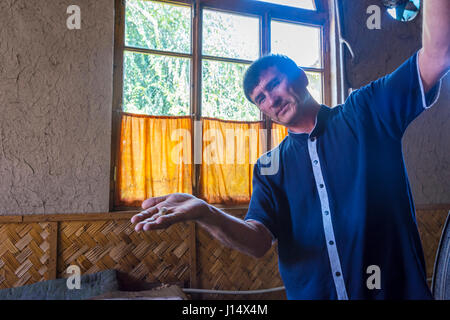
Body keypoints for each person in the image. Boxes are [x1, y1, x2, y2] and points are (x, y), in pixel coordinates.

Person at [131, 0, 449, 299]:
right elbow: (258, 241)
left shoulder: (365, 113)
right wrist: (205, 211)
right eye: (260, 99)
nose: (271, 101)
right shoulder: (269, 167)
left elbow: (437, 53)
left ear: (299, 76)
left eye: (273, 85)